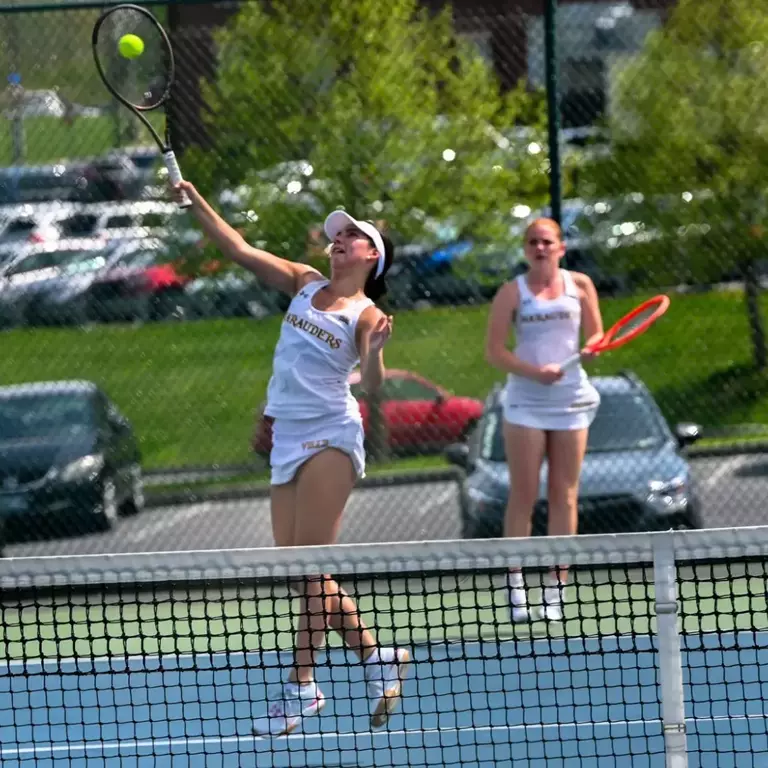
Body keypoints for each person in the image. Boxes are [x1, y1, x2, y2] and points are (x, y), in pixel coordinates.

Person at [171, 181, 410, 737]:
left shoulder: (368, 315)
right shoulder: (305, 283)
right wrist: (196, 201)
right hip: (287, 436)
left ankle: (301, 687)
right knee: (301, 574)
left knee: (310, 566)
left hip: (332, 433)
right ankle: (377, 658)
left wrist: (373, 356)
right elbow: (238, 249)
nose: (339, 241)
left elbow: (373, 387)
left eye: (352, 237)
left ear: (371, 256)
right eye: (337, 236)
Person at [484, 217, 604, 623]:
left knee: (564, 495)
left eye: (546, 241)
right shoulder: (510, 293)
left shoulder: (581, 286)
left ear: (561, 247)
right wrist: (536, 372)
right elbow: (495, 352)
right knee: (524, 493)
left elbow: (597, 337)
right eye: (532, 242)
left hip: (570, 399)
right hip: (525, 400)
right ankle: (516, 590)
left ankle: (555, 593)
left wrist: (591, 349)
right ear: (525, 249)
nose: (539, 248)